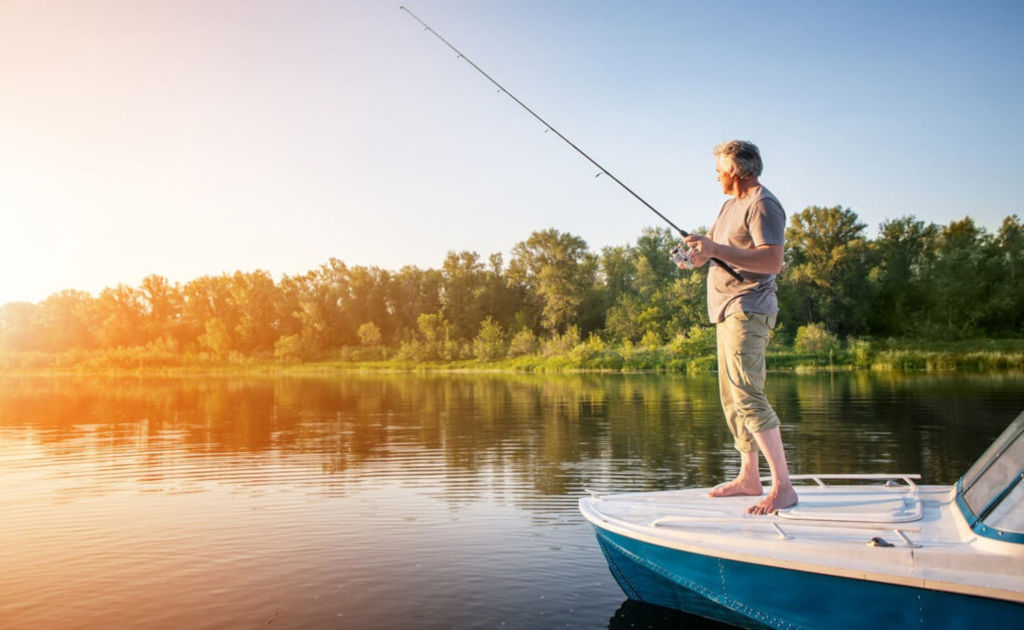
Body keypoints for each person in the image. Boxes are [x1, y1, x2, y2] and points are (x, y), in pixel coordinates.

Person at [681, 140, 798, 515]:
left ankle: (783, 487)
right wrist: (699, 254)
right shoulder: (729, 205)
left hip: (748, 308)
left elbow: (773, 259)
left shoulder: (763, 203)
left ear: (734, 170)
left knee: (747, 394)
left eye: (719, 169)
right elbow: (719, 249)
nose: (716, 175)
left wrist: (715, 249)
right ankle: (750, 477)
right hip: (726, 311)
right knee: (732, 400)